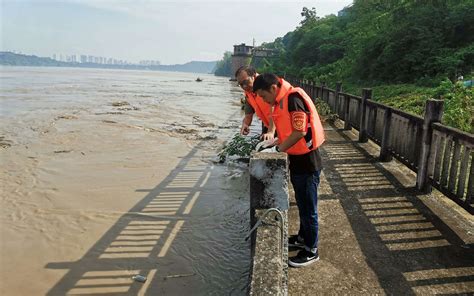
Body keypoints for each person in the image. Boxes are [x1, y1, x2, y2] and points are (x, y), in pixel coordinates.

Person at [253, 73, 325, 268]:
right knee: (302, 203)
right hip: (298, 160)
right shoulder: (282, 100)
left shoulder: (293, 99)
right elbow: (287, 131)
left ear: (273, 88)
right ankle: (303, 237)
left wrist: (278, 149)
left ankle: (311, 250)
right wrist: (274, 141)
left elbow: (300, 131)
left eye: (263, 95)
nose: (263, 100)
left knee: (309, 208)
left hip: (307, 163)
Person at [235, 66, 275, 140]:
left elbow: (276, 108)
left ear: (254, 76)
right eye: (241, 84)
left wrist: (271, 131)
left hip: (281, 125)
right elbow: (248, 115)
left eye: (246, 82)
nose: (244, 86)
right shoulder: (248, 94)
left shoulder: (267, 85)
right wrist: (245, 124)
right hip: (267, 125)